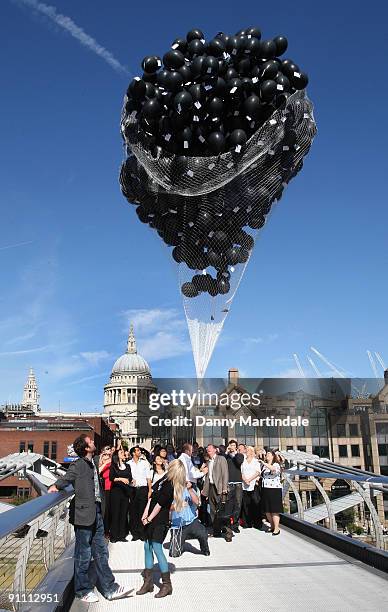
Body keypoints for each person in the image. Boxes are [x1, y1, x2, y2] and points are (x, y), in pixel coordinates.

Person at [48, 434, 132, 603]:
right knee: (83, 554)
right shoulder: (78, 465)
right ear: (86, 448)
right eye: (91, 442)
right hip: (84, 515)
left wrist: (114, 449)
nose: (94, 443)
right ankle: (82, 590)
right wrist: (55, 486)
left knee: (101, 552)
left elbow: (106, 458)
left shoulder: (92, 462)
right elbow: (67, 478)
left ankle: (110, 588)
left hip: (97, 513)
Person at [136, 461, 177, 598]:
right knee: (147, 546)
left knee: (157, 548)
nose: (167, 463)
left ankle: (167, 585)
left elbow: (160, 504)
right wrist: (145, 513)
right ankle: (148, 583)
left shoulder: (170, 485)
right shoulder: (163, 479)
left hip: (160, 521)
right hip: (151, 517)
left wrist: (149, 518)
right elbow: (151, 497)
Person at [169, 475, 210, 558]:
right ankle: (179, 541)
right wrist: (177, 506)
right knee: (174, 554)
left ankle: (204, 548)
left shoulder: (189, 489)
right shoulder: (171, 489)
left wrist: (190, 489)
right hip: (178, 525)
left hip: (192, 521)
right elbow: (167, 507)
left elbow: (197, 502)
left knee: (203, 533)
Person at [201, 444, 231, 541]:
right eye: (207, 450)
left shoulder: (221, 459)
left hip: (220, 488)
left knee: (222, 511)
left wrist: (224, 488)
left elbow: (225, 473)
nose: (208, 451)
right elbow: (207, 477)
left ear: (215, 450)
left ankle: (228, 532)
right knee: (213, 511)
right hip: (211, 488)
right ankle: (216, 531)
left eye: (209, 450)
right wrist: (205, 491)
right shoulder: (208, 461)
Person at [128, 445, 152, 541]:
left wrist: (150, 490)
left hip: (143, 488)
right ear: (133, 453)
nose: (140, 452)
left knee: (142, 510)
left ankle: (142, 532)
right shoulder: (128, 463)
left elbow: (148, 477)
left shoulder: (145, 463)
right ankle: (135, 533)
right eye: (137, 451)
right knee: (133, 511)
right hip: (133, 489)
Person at [109, 449, 132, 543]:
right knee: (115, 513)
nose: (124, 454)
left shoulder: (127, 466)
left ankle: (122, 535)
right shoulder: (113, 466)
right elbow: (111, 478)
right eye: (121, 453)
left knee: (123, 514)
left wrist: (131, 480)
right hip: (116, 492)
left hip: (125, 492)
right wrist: (121, 479)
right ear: (117, 456)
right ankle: (114, 536)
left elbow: (130, 477)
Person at [260, 449, 283, 535]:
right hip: (265, 488)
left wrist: (264, 463)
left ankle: (277, 528)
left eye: (269, 454)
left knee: (274, 510)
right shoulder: (264, 466)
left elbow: (274, 470)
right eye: (266, 454)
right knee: (267, 510)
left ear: (273, 456)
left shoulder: (276, 464)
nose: (267, 455)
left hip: (274, 489)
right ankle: (272, 526)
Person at [225, 440, 244, 533]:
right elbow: (221, 461)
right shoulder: (226, 456)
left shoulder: (240, 455)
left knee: (238, 503)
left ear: (236, 447)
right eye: (230, 445)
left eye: (233, 445)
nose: (232, 447)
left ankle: (235, 524)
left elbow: (239, 462)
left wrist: (235, 453)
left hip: (238, 483)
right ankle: (228, 523)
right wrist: (226, 452)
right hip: (229, 483)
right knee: (229, 504)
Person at [241, 446, 262, 529]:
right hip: (245, 484)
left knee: (255, 503)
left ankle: (257, 523)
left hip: (253, 484)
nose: (247, 451)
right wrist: (245, 479)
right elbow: (241, 472)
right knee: (246, 504)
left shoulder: (255, 461)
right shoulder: (243, 461)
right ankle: (247, 523)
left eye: (249, 450)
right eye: (246, 450)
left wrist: (250, 479)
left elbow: (258, 472)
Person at [98, 446, 113, 537]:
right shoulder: (102, 466)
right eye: (105, 456)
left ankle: (111, 529)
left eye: (108, 455)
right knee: (106, 511)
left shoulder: (112, 464)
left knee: (112, 511)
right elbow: (98, 472)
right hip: (106, 490)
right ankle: (106, 530)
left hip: (114, 489)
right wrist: (105, 463)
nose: (107, 457)